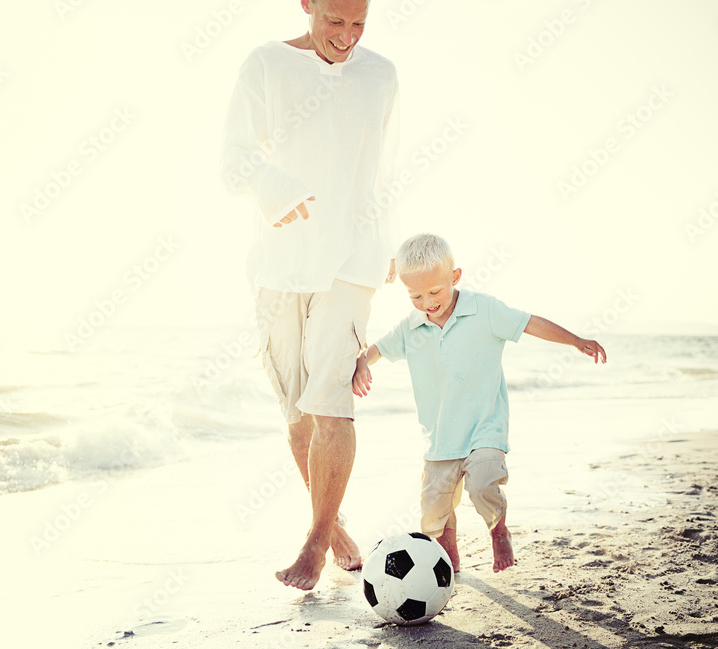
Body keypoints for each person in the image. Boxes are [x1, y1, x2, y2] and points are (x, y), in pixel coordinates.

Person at [219, 0, 399, 591]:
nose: (346, 37)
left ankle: (315, 543)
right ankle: (337, 529)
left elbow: (385, 166)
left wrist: (389, 239)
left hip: (353, 259)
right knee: (298, 415)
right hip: (280, 262)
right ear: (308, 6)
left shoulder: (380, 75)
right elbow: (235, 158)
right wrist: (277, 185)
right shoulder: (267, 64)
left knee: (331, 404)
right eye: (335, 22)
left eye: (358, 24)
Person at [352, 234, 607, 572]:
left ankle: (498, 530)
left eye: (434, 292)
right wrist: (362, 362)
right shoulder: (409, 327)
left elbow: (529, 323)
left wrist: (575, 341)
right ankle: (449, 552)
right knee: (433, 511)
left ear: (454, 277)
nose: (427, 302)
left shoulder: (484, 309)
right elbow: (379, 348)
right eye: (415, 295)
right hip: (440, 438)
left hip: (485, 427)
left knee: (483, 483)